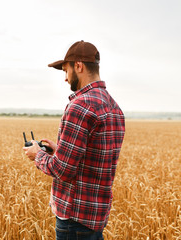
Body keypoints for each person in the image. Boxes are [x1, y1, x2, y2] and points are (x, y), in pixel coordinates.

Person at [23, 40, 125, 240]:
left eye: (65, 70)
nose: (65, 78)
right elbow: (92, 158)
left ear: (78, 66)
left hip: (74, 220)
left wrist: (38, 155)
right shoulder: (113, 106)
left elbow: (63, 170)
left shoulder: (80, 105)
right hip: (94, 217)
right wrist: (59, 149)